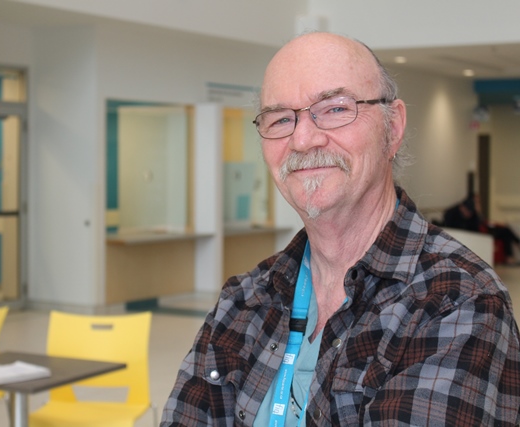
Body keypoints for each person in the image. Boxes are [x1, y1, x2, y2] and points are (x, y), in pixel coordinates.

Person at [160, 31, 520, 426]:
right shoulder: (243, 303)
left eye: (334, 109)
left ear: (393, 127)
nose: (302, 139)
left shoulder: (458, 303)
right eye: (281, 118)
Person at [444, 193, 520, 264]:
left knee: (505, 231)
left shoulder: (473, 214)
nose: (469, 214)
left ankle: (514, 248)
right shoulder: (451, 214)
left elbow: (478, 226)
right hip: (465, 236)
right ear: (462, 208)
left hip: (479, 232)